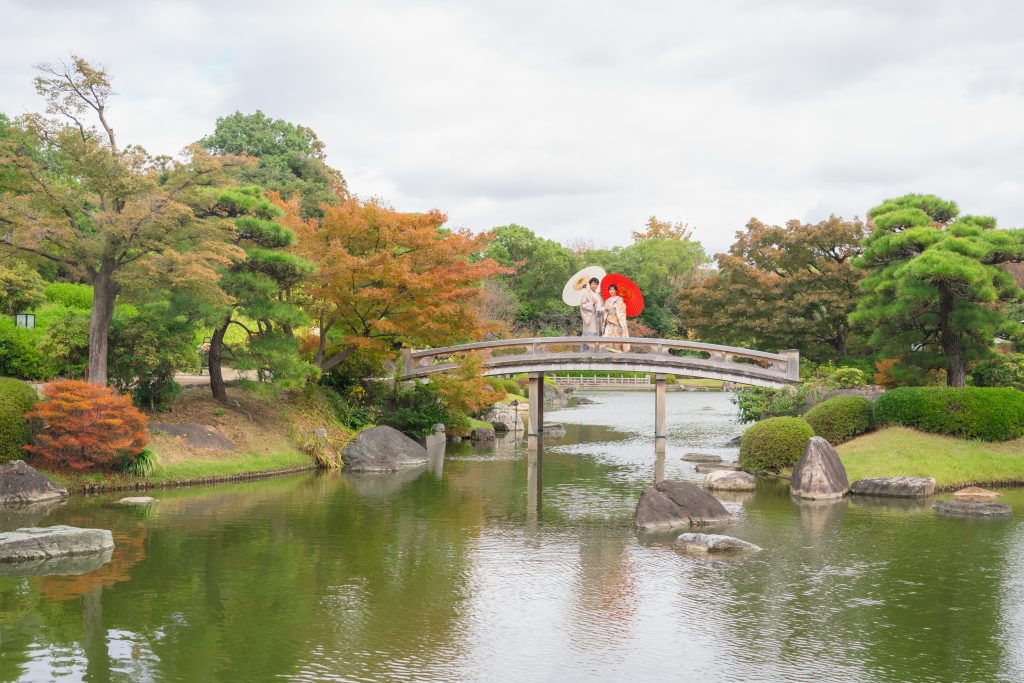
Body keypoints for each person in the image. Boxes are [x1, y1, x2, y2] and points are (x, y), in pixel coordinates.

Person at [602, 284, 630, 352]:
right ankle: (608, 353)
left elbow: (622, 310)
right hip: (609, 322)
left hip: (617, 322)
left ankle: (616, 355)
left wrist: (615, 307)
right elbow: (605, 311)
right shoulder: (607, 300)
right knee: (606, 337)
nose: (611, 291)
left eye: (613, 289)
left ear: (616, 291)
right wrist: (606, 309)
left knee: (616, 339)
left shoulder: (620, 299)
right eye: (610, 289)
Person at [580, 277, 604, 350]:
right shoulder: (586, 295)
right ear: (590, 284)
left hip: (598, 319)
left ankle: (595, 357)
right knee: (588, 338)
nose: (595, 286)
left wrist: (601, 309)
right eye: (593, 284)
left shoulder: (598, 295)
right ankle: (584, 357)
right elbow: (583, 306)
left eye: (596, 284)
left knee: (597, 340)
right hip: (590, 319)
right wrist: (592, 303)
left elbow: (602, 305)